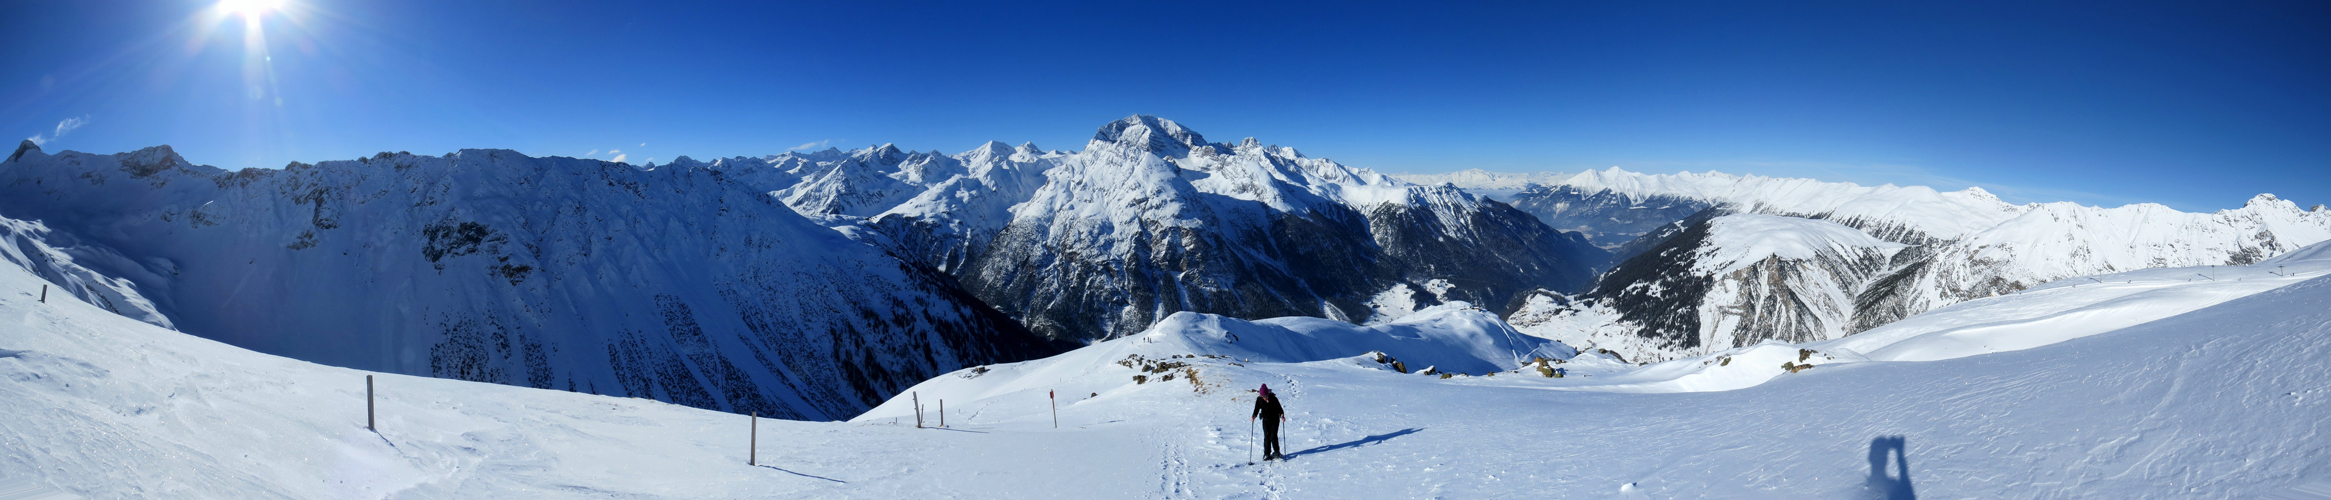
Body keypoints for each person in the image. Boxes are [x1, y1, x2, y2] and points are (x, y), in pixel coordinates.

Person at [1251, 384, 1288, 460]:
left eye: (1266, 396)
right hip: (1265, 420)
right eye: (1263, 397)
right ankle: (1267, 453)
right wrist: (1254, 416)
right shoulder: (1259, 399)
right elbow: (1256, 409)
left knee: (1273, 435)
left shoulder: (1273, 398)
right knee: (1267, 436)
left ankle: (1276, 452)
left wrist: (1282, 415)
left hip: (1275, 419)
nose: (1265, 398)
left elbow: (1279, 408)